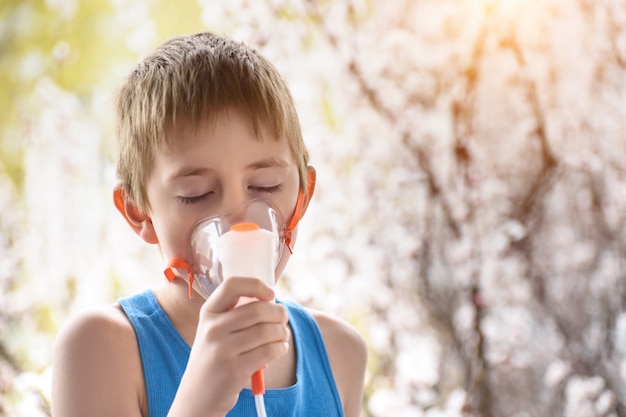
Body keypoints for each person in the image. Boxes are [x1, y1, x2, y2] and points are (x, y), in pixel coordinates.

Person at [51, 31, 367, 417]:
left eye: (265, 186)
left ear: (303, 193)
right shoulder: (100, 349)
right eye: (196, 194)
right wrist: (198, 402)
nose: (238, 223)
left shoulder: (339, 354)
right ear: (139, 211)